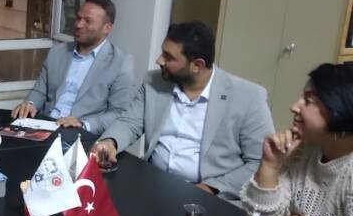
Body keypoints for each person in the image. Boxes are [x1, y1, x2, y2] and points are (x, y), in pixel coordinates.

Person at [92, 21, 274, 199]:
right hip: (152, 182)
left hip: (209, 196)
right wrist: (110, 142)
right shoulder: (154, 82)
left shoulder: (249, 97)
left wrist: (211, 188)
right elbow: (130, 122)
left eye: (169, 57)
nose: (159, 60)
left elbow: (259, 162)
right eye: (162, 52)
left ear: (197, 65)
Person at [241, 63, 353, 216]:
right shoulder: (305, 148)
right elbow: (258, 214)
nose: (294, 107)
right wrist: (270, 164)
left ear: (340, 109)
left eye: (308, 100)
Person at [11, 0, 134, 133]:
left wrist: (83, 124)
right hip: (44, 127)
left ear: (107, 28)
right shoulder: (57, 52)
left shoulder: (120, 62)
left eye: (88, 21)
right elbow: (40, 91)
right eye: (78, 18)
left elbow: (119, 113)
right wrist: (30, 103)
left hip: (80, 135)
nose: (78, 25)